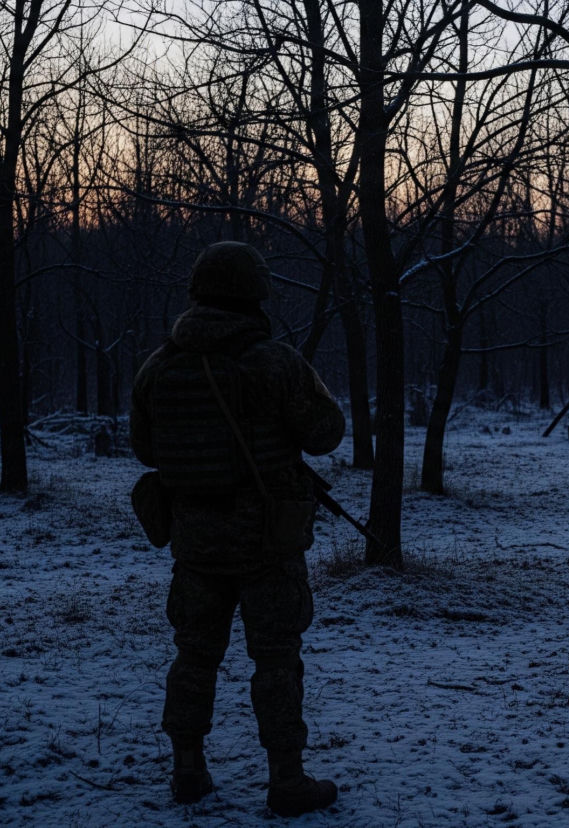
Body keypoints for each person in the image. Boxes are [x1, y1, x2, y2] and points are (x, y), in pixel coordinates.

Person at [130, 241, 345, 816]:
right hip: (267, 539)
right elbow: (326, 433)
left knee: (194, 654)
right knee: (276, 659)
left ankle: (187, 769)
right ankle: (287, 779)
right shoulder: (273, 361)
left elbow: (144, 447)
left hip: (194, 538)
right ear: (255, 294)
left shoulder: (160, 363)